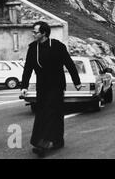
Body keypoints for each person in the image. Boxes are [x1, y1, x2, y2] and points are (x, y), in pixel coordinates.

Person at [20, 21, 82, 157]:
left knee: (51, 112)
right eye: (33, 31)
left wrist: (77, 82)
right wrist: (24, 86)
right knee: (42, 113)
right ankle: (57, 140)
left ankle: (43, 144)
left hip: (56, 85)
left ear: (44, 33)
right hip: (42, 86)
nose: (33, 34)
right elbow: (28, 68)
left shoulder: (57, 46)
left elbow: (69, 64)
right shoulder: (32, 48)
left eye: (35, 32)